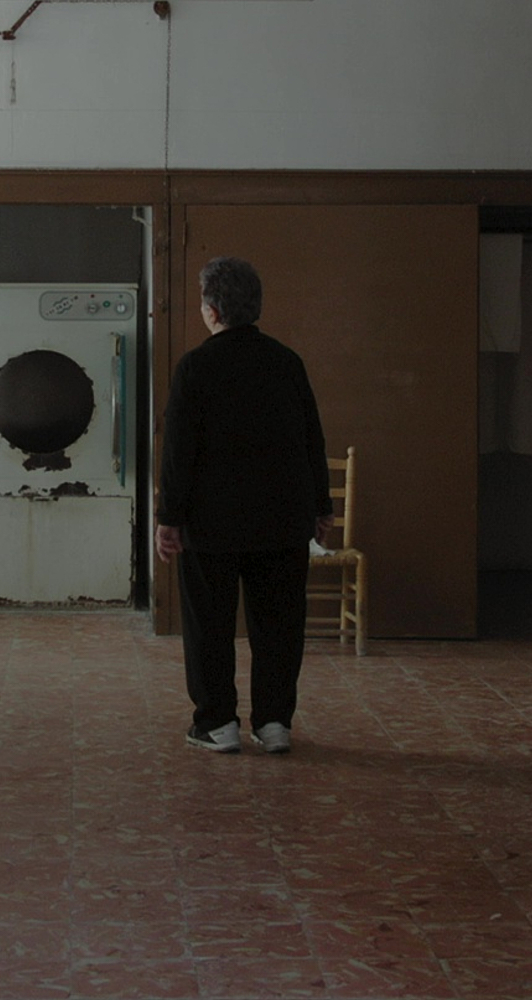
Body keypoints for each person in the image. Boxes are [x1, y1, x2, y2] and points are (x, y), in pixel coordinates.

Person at [156, 256, 335, 755]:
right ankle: (274, 722)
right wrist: (322, 505)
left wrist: (168, 517)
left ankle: (217, 724)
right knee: (279, 625)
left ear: (211, 310)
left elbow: (178, 451)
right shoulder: (287, 362)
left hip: (210, 523)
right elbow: (311, 439)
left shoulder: (196, 366)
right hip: (282, 519)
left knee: (209, 625)